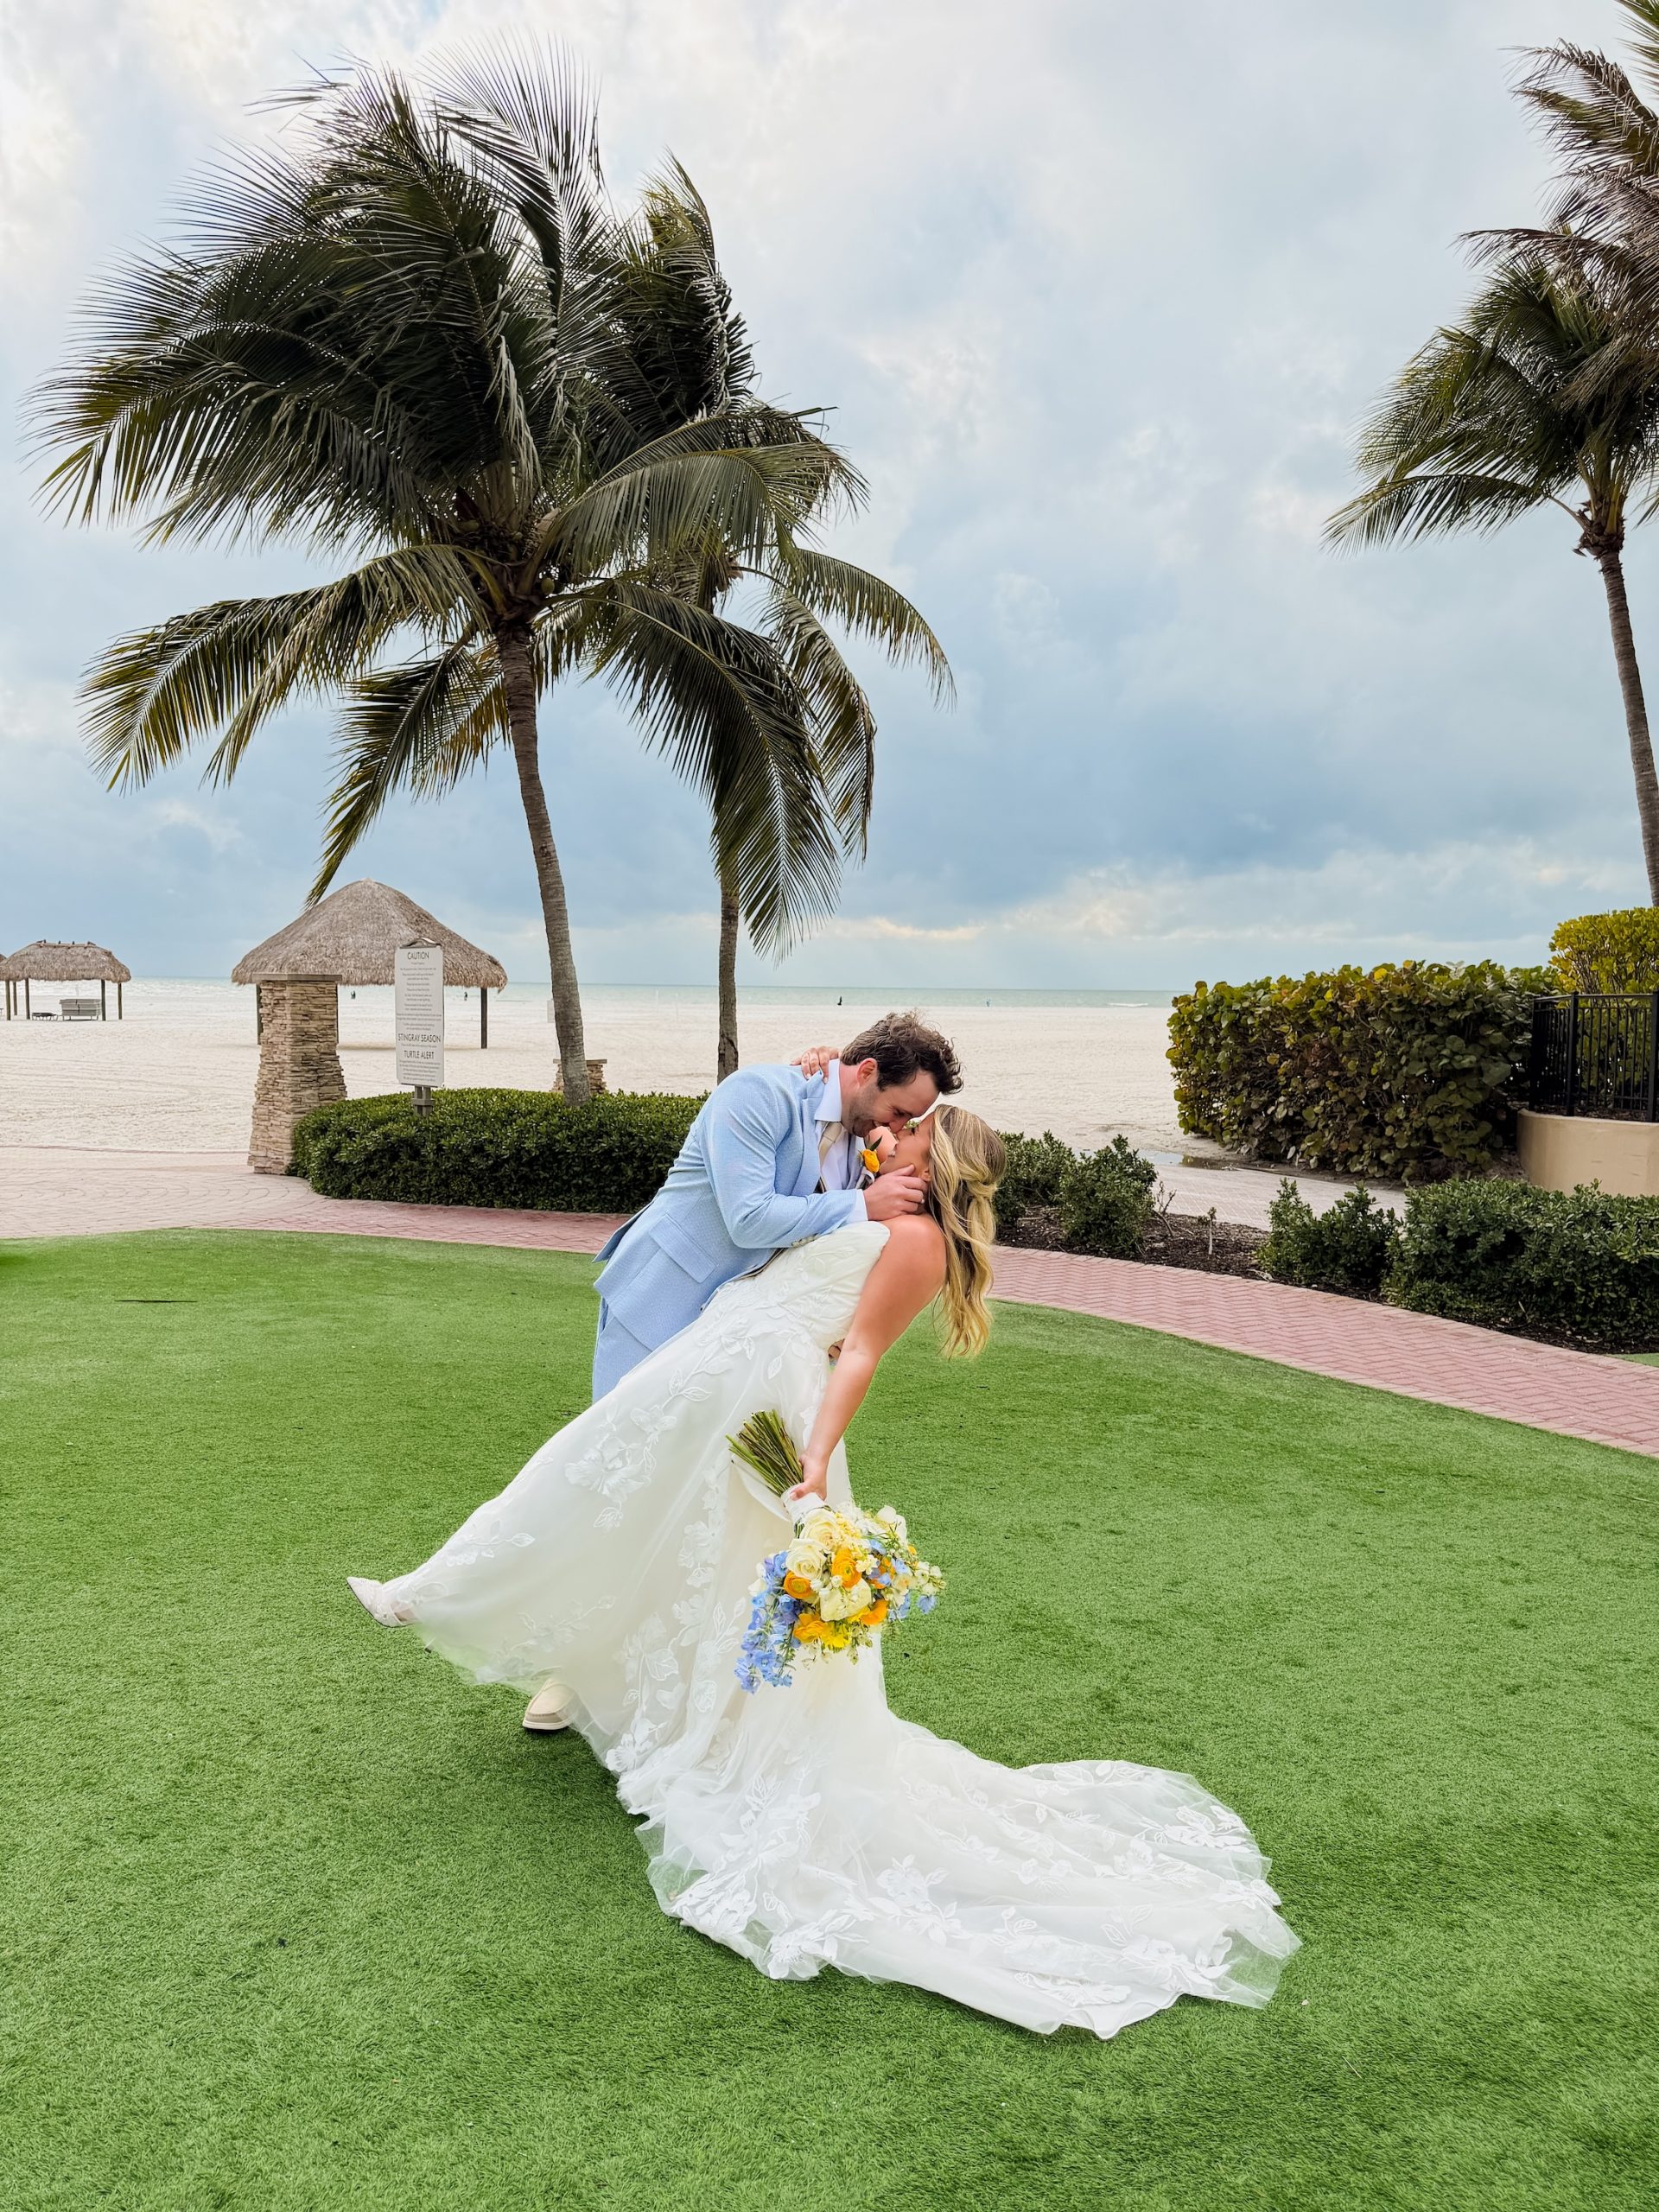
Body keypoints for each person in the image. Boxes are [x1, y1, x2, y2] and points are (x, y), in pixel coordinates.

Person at [347, 1104, 1299, 2041]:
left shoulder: (919, 1240)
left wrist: (815, 1462)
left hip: (761, 1391)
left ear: (940, 1158)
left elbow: (862, 1353)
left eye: (918, 1128)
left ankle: (436, 1593)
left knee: (598, 1482)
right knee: (613, 1493)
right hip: (721, 1365)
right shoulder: (873, 1200)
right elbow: (808, 1170)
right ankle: (503, 1615)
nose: (900, 1131)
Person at [588, 1012, 961, 1402]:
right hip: (663, 1299)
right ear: (867, 1072)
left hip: (734, 1339)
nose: (898, 1128)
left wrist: (842, 1325)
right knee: (622, 1452)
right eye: (899, 1112)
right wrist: (861, 1204)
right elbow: (748, 1219)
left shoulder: (858, 1140)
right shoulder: (758, 1093)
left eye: (910, 1119)